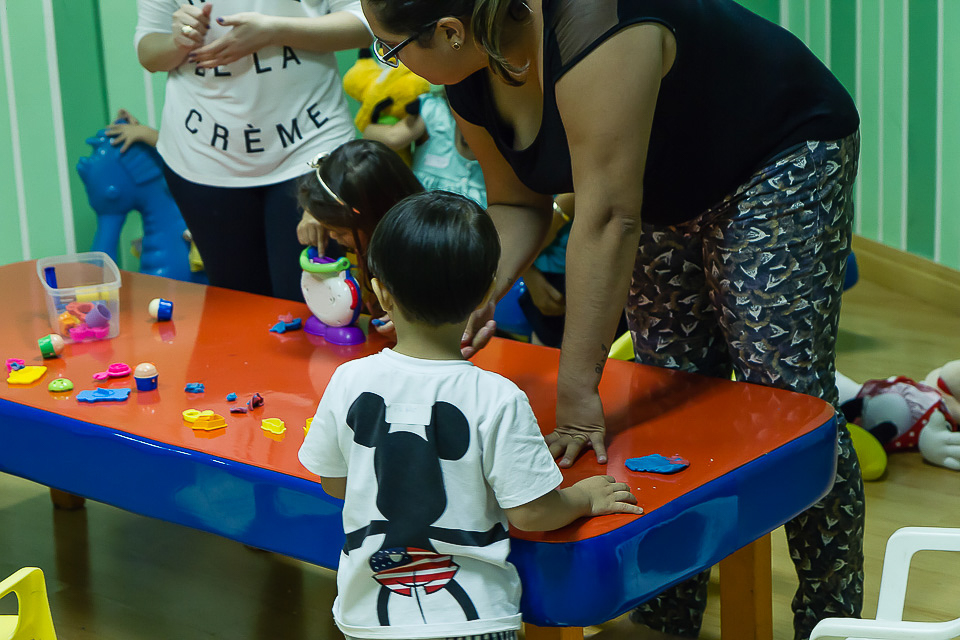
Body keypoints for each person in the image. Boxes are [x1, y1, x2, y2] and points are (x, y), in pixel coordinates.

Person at [358, 1, 864, 639]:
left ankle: (833, 620)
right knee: (667, 389)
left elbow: (607, 217)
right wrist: (479, 290)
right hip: (647, 187)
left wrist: (577, 389)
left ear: (452, 30)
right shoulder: (465, 77)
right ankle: (665, 617)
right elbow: (518, 202)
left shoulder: (594, 24)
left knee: (785, 397)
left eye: (390, 47)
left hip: (777, 155)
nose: (392, 62)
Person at [298, 190, 643, 639]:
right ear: (484, 293)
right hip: (474, 619)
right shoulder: (497, 397)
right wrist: (584, 499)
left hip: (369, 619)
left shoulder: (350, 381)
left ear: (379, 291)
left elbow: (333, 482)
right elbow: (532, 512)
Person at [134, 1, 371, 301]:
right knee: (238, 312)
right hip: (205, 158)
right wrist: (178, 39)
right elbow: (149, 52)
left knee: (316, 307)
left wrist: (275, 30)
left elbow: (366, 24)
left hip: (309, 150)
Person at [296, 138, 425, 329]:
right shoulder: (358, 228)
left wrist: (411, 328)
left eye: (339, 232)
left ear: (378, 220)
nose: (332, 236)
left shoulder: (420, 257)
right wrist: (313, 211)